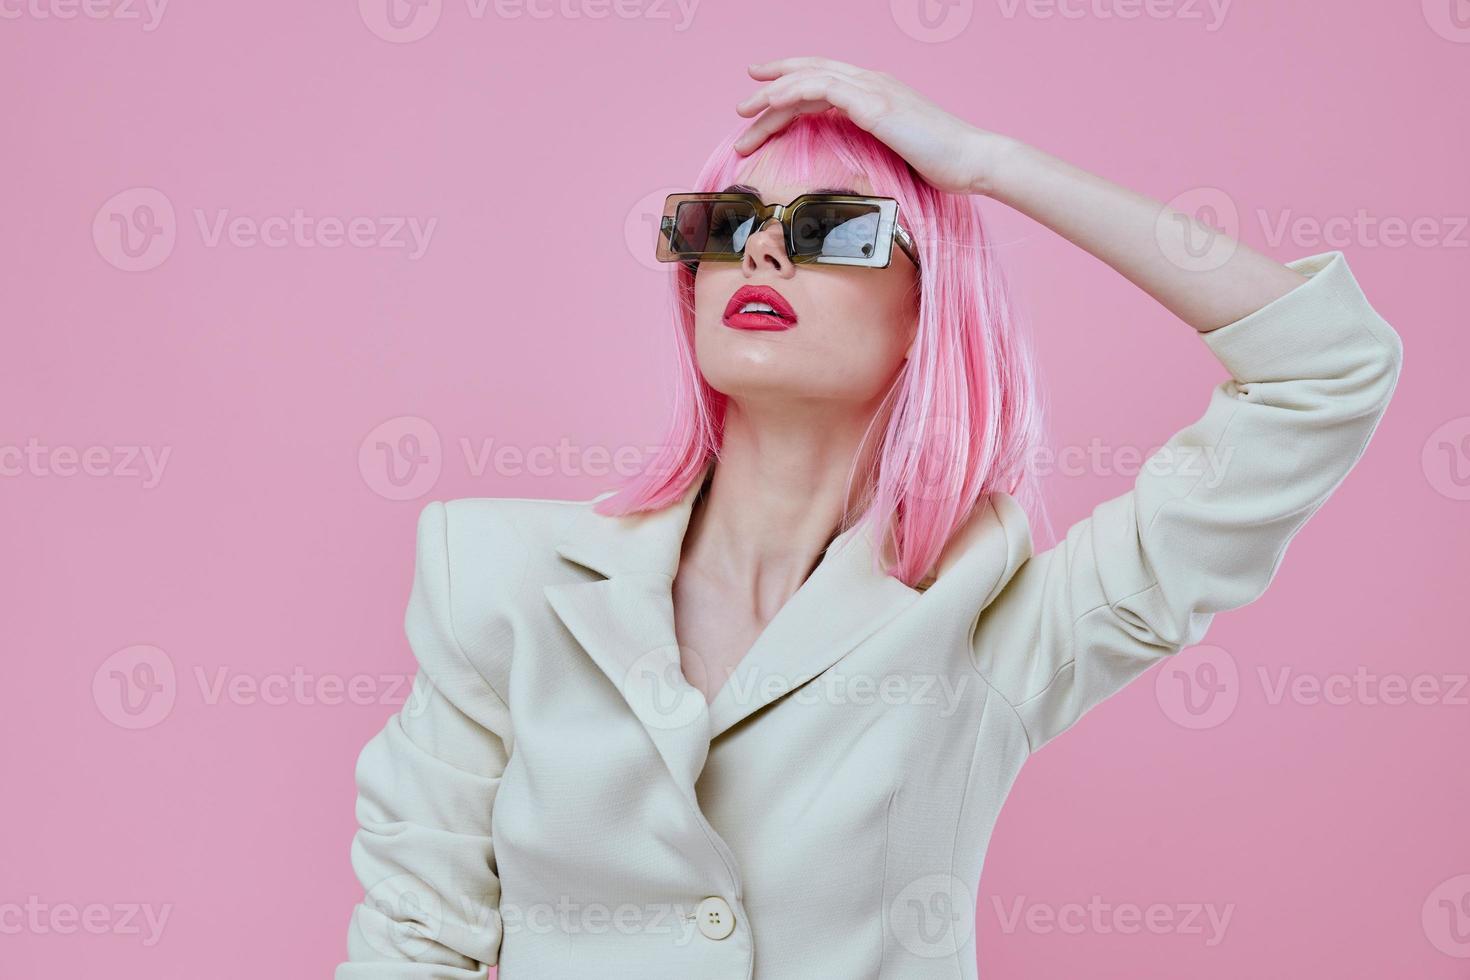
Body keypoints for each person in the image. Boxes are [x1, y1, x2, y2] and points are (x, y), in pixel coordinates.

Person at [337, 57, 1403, 979]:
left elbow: (1328, 369)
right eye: (727, 223)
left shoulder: (997, 623)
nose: (761, 253)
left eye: (834, 228)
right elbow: (412, 937)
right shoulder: (502, 578)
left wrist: (986, 164)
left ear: (928, 312)